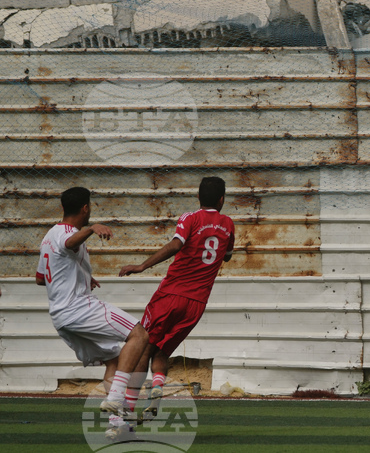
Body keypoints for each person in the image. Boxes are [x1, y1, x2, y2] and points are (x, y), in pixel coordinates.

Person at [110, 176, 235, 418]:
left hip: (170, 295)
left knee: (143, 346)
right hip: (196, 304)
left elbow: (176, 245)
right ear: (221, 200)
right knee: (162, 352)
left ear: (198, 197)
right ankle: (156, 390)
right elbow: (227, 255)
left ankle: (128, 408)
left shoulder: (191, 218)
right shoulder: (228, 224)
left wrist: (142, 266)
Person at [37, 187, 149, 439]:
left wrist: (82, 276)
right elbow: (69, 243)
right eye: (91, 209)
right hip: (79, 309)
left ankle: (115, 423)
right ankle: (117, 398)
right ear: (85, 208)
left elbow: (40, 278)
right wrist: (92, 228)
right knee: (140, 335)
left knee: (113, 360)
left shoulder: (47, 236)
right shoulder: (67, 233)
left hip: (61, 318)